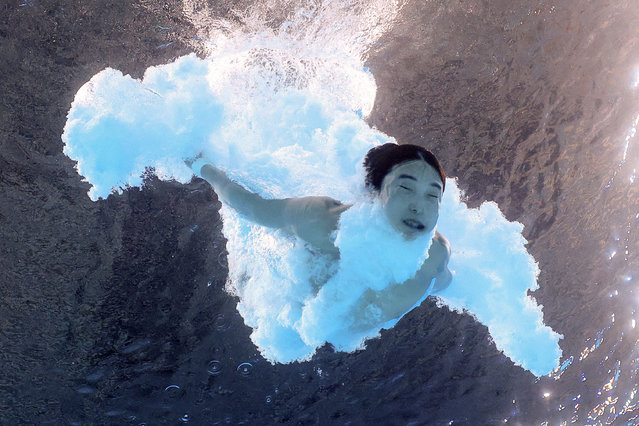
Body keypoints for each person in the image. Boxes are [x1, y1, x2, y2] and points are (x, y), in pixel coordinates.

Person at [186, 143, 452, 324]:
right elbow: (254, 208)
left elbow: (442, 283)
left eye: (433, 195)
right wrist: (207, 170)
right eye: (405, 189)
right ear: (375, 192)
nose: (419, 207)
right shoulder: (321, 221)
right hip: (299, 313)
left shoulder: (437, 255)